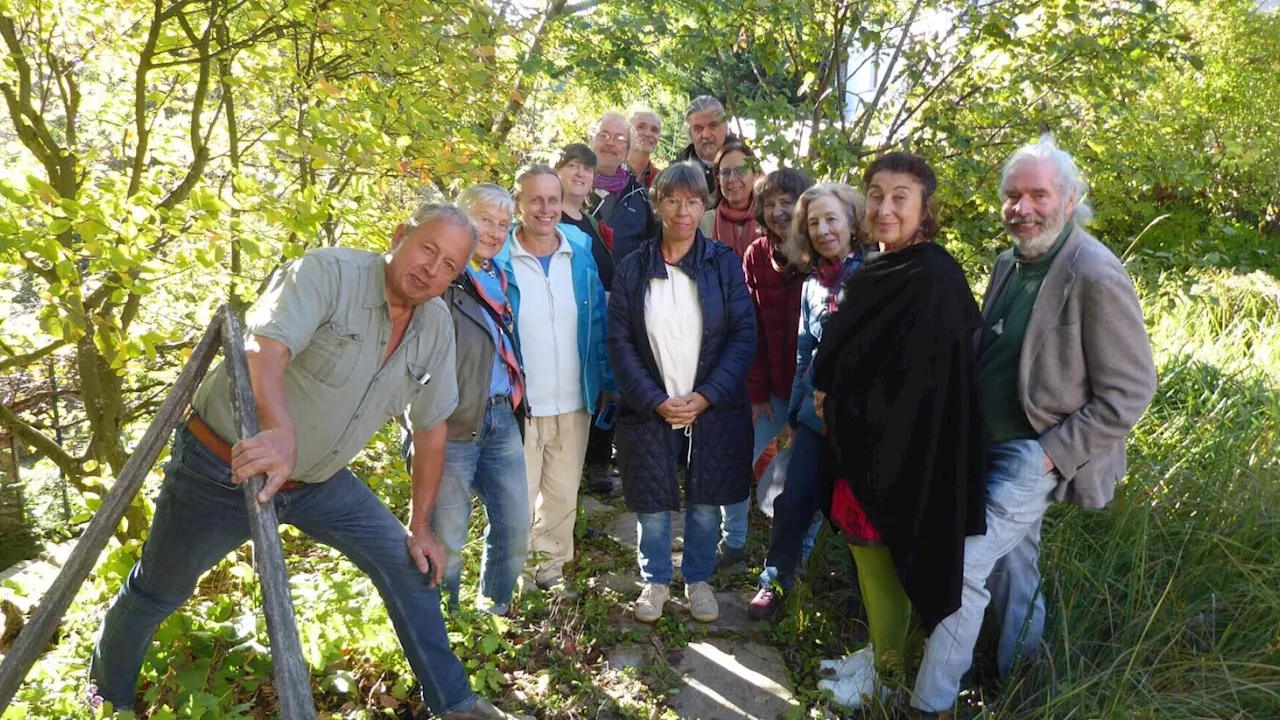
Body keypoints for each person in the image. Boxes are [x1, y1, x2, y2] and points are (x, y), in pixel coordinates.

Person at [89, 203, 527, 719]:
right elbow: (263, 348)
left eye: (450, 264)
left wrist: (421, 524)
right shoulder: (328, 273)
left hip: (318, 482)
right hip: (224, 466)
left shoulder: (434, 325)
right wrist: (278, 431)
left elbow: (431, 429)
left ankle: (454, 703)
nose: (433, 269)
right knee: (160, 588)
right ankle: (105, 696)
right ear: (400, 234)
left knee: (408, 563)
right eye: (427, 249)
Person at [911, 137, 1157, 716]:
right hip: (985, 444)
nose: (1023, 208)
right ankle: (1025, 676)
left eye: (1038, 195)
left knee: (962, 566)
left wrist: (1050, 454)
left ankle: (931, 704)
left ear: (1070, 200)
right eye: (1013, 196)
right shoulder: (1009, 262)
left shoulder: (1095, 273)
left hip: (1033, 452)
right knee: (1015, 566)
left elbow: (1131, 390)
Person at [805, 153, 987, 707]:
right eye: (877, 194)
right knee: (868, 558)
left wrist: (838, 396)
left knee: (883, 555)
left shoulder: (933, 276)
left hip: (903, 453)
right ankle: (879, 650)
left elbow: (922, 385)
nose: (886, 208)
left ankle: (885, 676)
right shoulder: (880, 266)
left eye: (900, 197)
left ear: (924, 208)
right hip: (863, 442)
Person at [608, 162, 755, 624]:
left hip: (710, 409)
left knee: (706, 502)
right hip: (651, 408)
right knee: (652, 505)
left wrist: (707, 395)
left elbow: (743, 335)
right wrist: (655, 399)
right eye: (673, 200)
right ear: (658, 204)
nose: (683, 211)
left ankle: (697, 578)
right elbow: (620, 341)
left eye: (693, 201)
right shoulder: (633, 268)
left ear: (704, 205)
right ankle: (654, 580)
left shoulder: (723, 263)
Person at [747, 183, 872, 622]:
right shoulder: (813, 285)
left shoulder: (876, 275)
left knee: (863, 515)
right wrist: (797, 416)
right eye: (813, 222)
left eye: (831, 219)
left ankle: (866, 604)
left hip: (863, 423)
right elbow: (805, 352)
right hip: (814, 421)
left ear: (853, 223)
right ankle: (775, 582)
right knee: (791, 499)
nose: (822, 230)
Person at [493, 165, 615, 594]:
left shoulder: (579, 250)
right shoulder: (499, 258)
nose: (546, 209)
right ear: (519, 205)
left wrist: (604, 381)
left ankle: (551, 569)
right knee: (516, 498)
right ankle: (512, 575)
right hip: (519, 404)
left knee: (562, 495)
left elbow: (597, 320)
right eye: (536, 200)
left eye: (552, 199)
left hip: (574, 399)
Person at [421, 184, 528, 618]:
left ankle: (494, 611)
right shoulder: (443, 276)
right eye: (486, 219)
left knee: (516, 524)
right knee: (448, 533)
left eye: (504, 224)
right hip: (451, 421)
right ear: (461, 216)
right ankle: (443, 623)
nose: (496, 231)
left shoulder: (498, 278)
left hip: (501, 416)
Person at [737, 168, 816, 568]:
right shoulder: (755, 254)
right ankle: (732, 543)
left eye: (787, 202)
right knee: (736, 458)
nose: (779, 211)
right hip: (770, 387)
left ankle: (795, 565)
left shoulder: (821, 252)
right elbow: (750, 328)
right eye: (770, 204)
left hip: (812, 394)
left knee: (805, 482)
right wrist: (755, 393)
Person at [554, 143, 618, 494]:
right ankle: (571, 469)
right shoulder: (550, 217)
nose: (580, 174)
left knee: (605, 388)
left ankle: (597, 462)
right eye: (573, 166)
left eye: (587, 169)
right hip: (569, 318)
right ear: (559, 170)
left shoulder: (591, 220)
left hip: (600, 316)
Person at [586, 111, 657, 264]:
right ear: (591, 141)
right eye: (603, 135)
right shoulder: (571, 186)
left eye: (620, 139)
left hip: (623, 285)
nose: (610, 143)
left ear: (627, 150)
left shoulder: (640, 197)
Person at [698, 140, 762, 258]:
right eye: (725, 173)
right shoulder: (702, 222)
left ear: (755, 175)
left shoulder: (767, 221)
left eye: (741, 171)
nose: (732, 179)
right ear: (718, 179)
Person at [675, 96, 735, 206]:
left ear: (726, 128)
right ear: (690, 134)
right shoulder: (677, 173)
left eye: (713, 126)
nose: (706, 135)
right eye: (698, 128)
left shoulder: (746, 165)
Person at [626, 108, 663, 188]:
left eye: (654, 130)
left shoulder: (663, 181)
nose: (648, 133)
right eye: (641, 127)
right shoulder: (610, 172)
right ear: (627, 132)